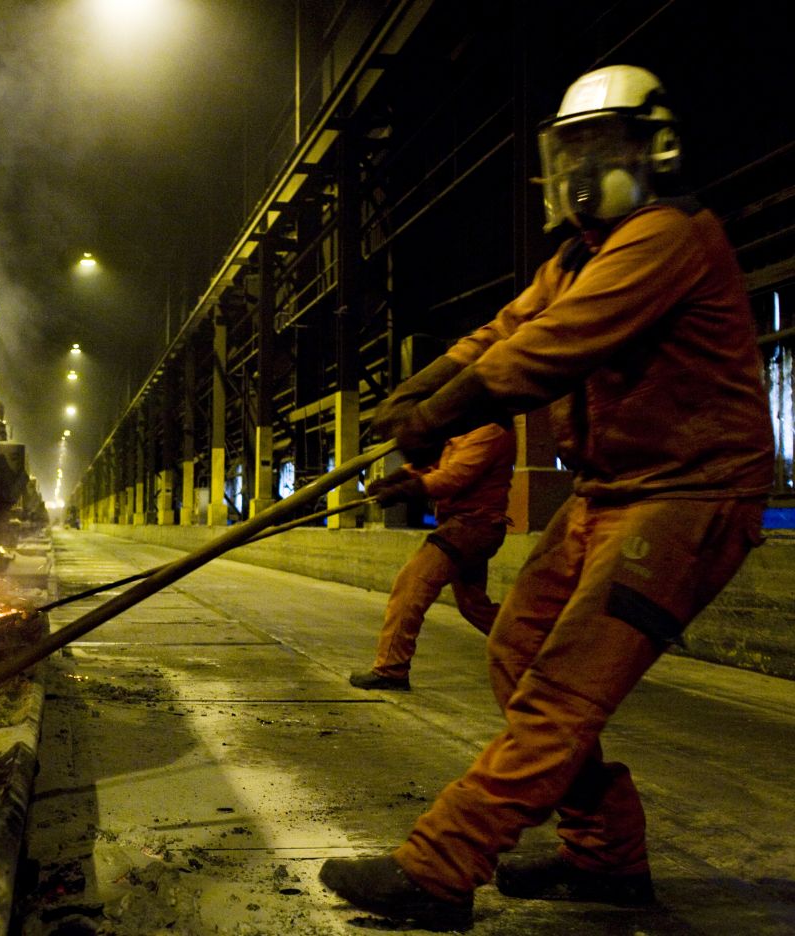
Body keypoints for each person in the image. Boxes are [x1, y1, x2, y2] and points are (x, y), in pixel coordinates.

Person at [319, 64, 773, 932]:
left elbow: (546, 352)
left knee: (560, 692)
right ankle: (605, 857)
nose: (580, 168)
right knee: (518, 647)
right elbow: (504, 330)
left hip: (691, 496)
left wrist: (440, 416)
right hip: (612, 492)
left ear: (658, 150)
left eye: (602, 148)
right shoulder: (576, 258)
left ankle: (440, 869)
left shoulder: (667, 237)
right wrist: (416, 390)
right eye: (572, 150)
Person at [350, 423, 516, 691]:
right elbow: (434, 464)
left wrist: (404, 490)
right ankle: (539, 648)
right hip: (464, 525)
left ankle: (391, 669)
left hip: (471, 527)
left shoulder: (490, 431)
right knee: (474, 606)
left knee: (411, 584)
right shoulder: (465, 431)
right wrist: (394, 479)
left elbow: (453, 476)